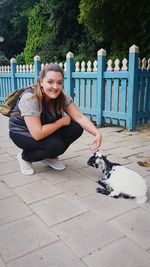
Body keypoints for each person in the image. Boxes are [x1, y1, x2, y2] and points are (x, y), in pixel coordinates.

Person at [9, 64, 102, 175]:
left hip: (44, 129)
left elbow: (79, 117)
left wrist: (96, 133)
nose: (55, 87)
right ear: (41, 82)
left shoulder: (62, 97)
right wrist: (61, 122)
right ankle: (25, 157)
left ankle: (49, 156)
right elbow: (37, 133)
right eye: (50, 82)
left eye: (59, 82)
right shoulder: (30, 98)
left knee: (76, 128)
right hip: (22, 133)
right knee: (56, 145)